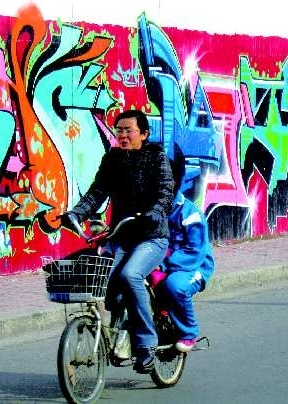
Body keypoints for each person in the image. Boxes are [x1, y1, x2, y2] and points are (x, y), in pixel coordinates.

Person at [62, 109, 174, 373]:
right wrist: (76, 213)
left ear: (143, 134)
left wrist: (155, 212)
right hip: (121, 236)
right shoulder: (112, 159)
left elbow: (166, 192)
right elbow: (97, 192)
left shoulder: (156, 156)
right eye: (119, 130)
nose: (122, 135)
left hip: (152, 237)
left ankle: (146, 344)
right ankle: (121, 327)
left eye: (128, 130)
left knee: (130, 275)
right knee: (103, 276)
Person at [152, 146, 215, 352]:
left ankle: (188, 333)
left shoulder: (190, 213)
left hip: (193, 266)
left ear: (176, 181)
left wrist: (164, 265)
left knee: (175, 286)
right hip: (162, 264)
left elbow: (195, 251)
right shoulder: (153, 209)